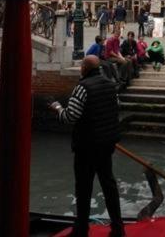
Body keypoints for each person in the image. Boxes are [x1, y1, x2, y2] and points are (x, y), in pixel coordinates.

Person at [49, 56, 124, 237]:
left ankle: (81, 230)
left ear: (84, 68)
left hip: (87, 147)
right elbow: (116, 109)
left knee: (83, 189)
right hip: (106, 145)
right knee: (109, 186)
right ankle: (118, 229)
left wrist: (57, 108)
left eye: (81, 65)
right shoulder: (110, 85)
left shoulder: (82, 88)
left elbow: (69, 117)